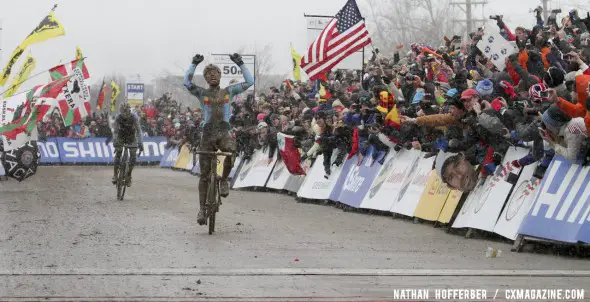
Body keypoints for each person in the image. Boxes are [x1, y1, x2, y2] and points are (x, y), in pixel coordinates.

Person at [184, 53, 254, 225]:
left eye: (215, 73)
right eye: (208, 74)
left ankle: (223, 180)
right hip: (207, 134)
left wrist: (240, 63)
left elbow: (250, 82)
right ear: (206, 78)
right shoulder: (202, 93)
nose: (212, 75)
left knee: (231, 152)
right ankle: (202, 209)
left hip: (224, 132)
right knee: (204, 176)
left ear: (220, 75)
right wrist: (194, 64)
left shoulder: (229, 91)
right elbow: (187, 83)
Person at [111, 103, 144, 187]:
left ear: (129, 110)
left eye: (126, 111)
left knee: (133, 155)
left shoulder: (134, 117)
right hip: (121, 136)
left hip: (131, 137)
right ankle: (115, 174)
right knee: (118, 152)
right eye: (122, 111)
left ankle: (129, 175)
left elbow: (139, 131)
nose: (124, 113)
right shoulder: (118, 117)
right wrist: (115, 140)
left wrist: (140, 143)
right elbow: (115, 131)